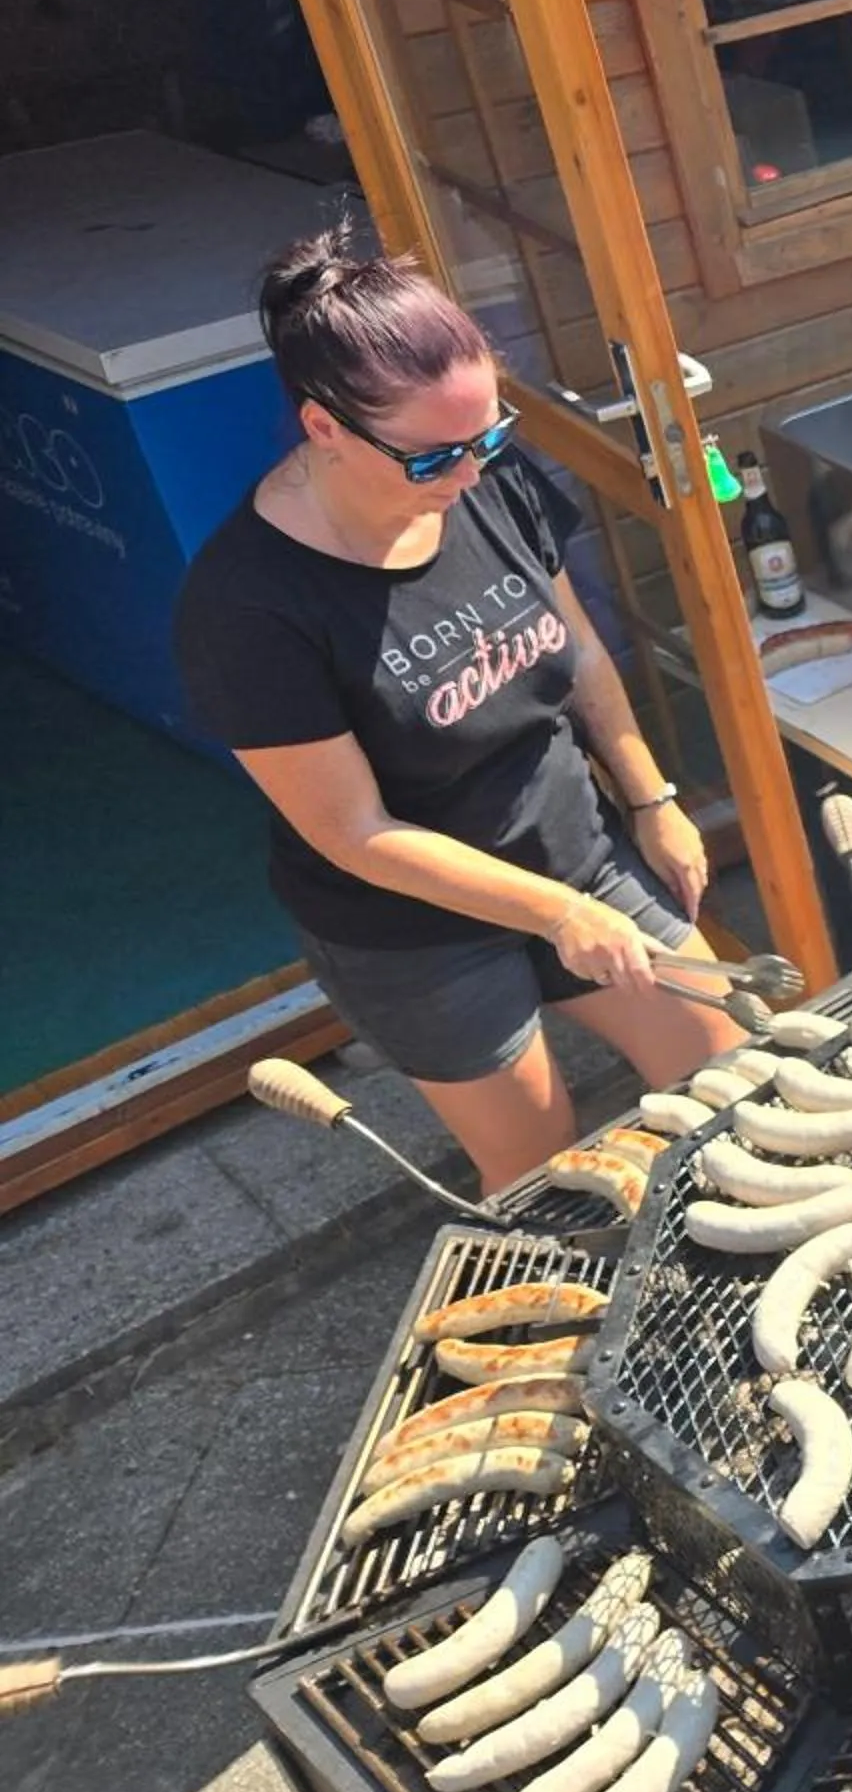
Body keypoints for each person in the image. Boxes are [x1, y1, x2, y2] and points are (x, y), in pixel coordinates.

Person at [174, 234, 746, 1191]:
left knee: (733, 1076)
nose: (473, 473)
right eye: (439, 454)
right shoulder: (245, 609)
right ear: (323, 428)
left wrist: (652, 799)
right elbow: (355, 833)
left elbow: (580, 650)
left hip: (574, 852)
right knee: (542, 1173)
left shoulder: (488, 479)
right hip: (409, 925)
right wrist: (554, 913)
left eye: (491, 434)